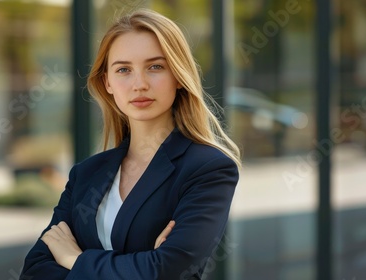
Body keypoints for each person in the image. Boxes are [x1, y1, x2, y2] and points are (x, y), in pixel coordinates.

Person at [20, 8, 241, 280]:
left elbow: (167, 270)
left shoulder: (208, 169)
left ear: (178, 76)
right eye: (124, 69)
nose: (139, 84)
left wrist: (74, 258)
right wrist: (142, 264)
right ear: (108, 83)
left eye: (155, 67)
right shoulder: (86, 174)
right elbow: (34, 271)